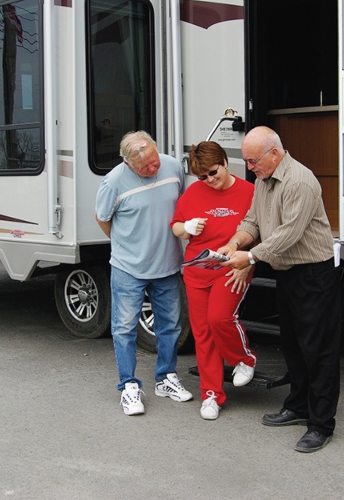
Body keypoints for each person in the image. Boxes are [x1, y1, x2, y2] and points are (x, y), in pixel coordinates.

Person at [219, 126, 342, 452]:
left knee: (318, 350)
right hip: (287, 272)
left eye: (253, 161)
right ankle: (298, 406)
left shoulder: (299, 181)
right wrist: (235, 243)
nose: (250, 168)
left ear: (274, 153)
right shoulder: (264, 179)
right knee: (293, 345)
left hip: (313, 275)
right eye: (247, 161)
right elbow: (253, 222)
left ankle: (321, 424)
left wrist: (250, 257)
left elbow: (288, 235)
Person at [95, 130, 193, 416]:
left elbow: (182, 206)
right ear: (128, 164)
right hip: (129, 268)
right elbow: (102, 218)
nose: (152, 168)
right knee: (124, 329)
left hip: (168, 263)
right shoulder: (113, 182)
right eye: (144, 167)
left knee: (170, 326)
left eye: (153, 161)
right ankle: (128, 385)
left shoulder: (172, 166)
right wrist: (126, 243)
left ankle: (166, 377)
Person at [171, 141, 257, 420]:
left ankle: (243, 359)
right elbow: (176, 227)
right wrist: (186, 227)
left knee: (219, 318)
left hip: (232, 268)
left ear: (225, 163)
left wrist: (248, 262)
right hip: (197, 269)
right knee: (202, 332)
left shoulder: (249, 191)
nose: (209, 179)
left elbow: (261, 231)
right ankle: (211, 394)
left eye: (213, 172)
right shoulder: (194, 192)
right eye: (202, 176)